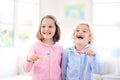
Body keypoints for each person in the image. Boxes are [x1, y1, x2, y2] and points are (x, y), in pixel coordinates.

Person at [23, 15, 63, 80]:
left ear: (56, 29)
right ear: (40, 29)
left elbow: (62, 68)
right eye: (43, 26)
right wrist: (29, 60)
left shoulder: (60, 48)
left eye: (50, 26)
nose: (46, 29)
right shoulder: (35, 46)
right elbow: (27, 69)